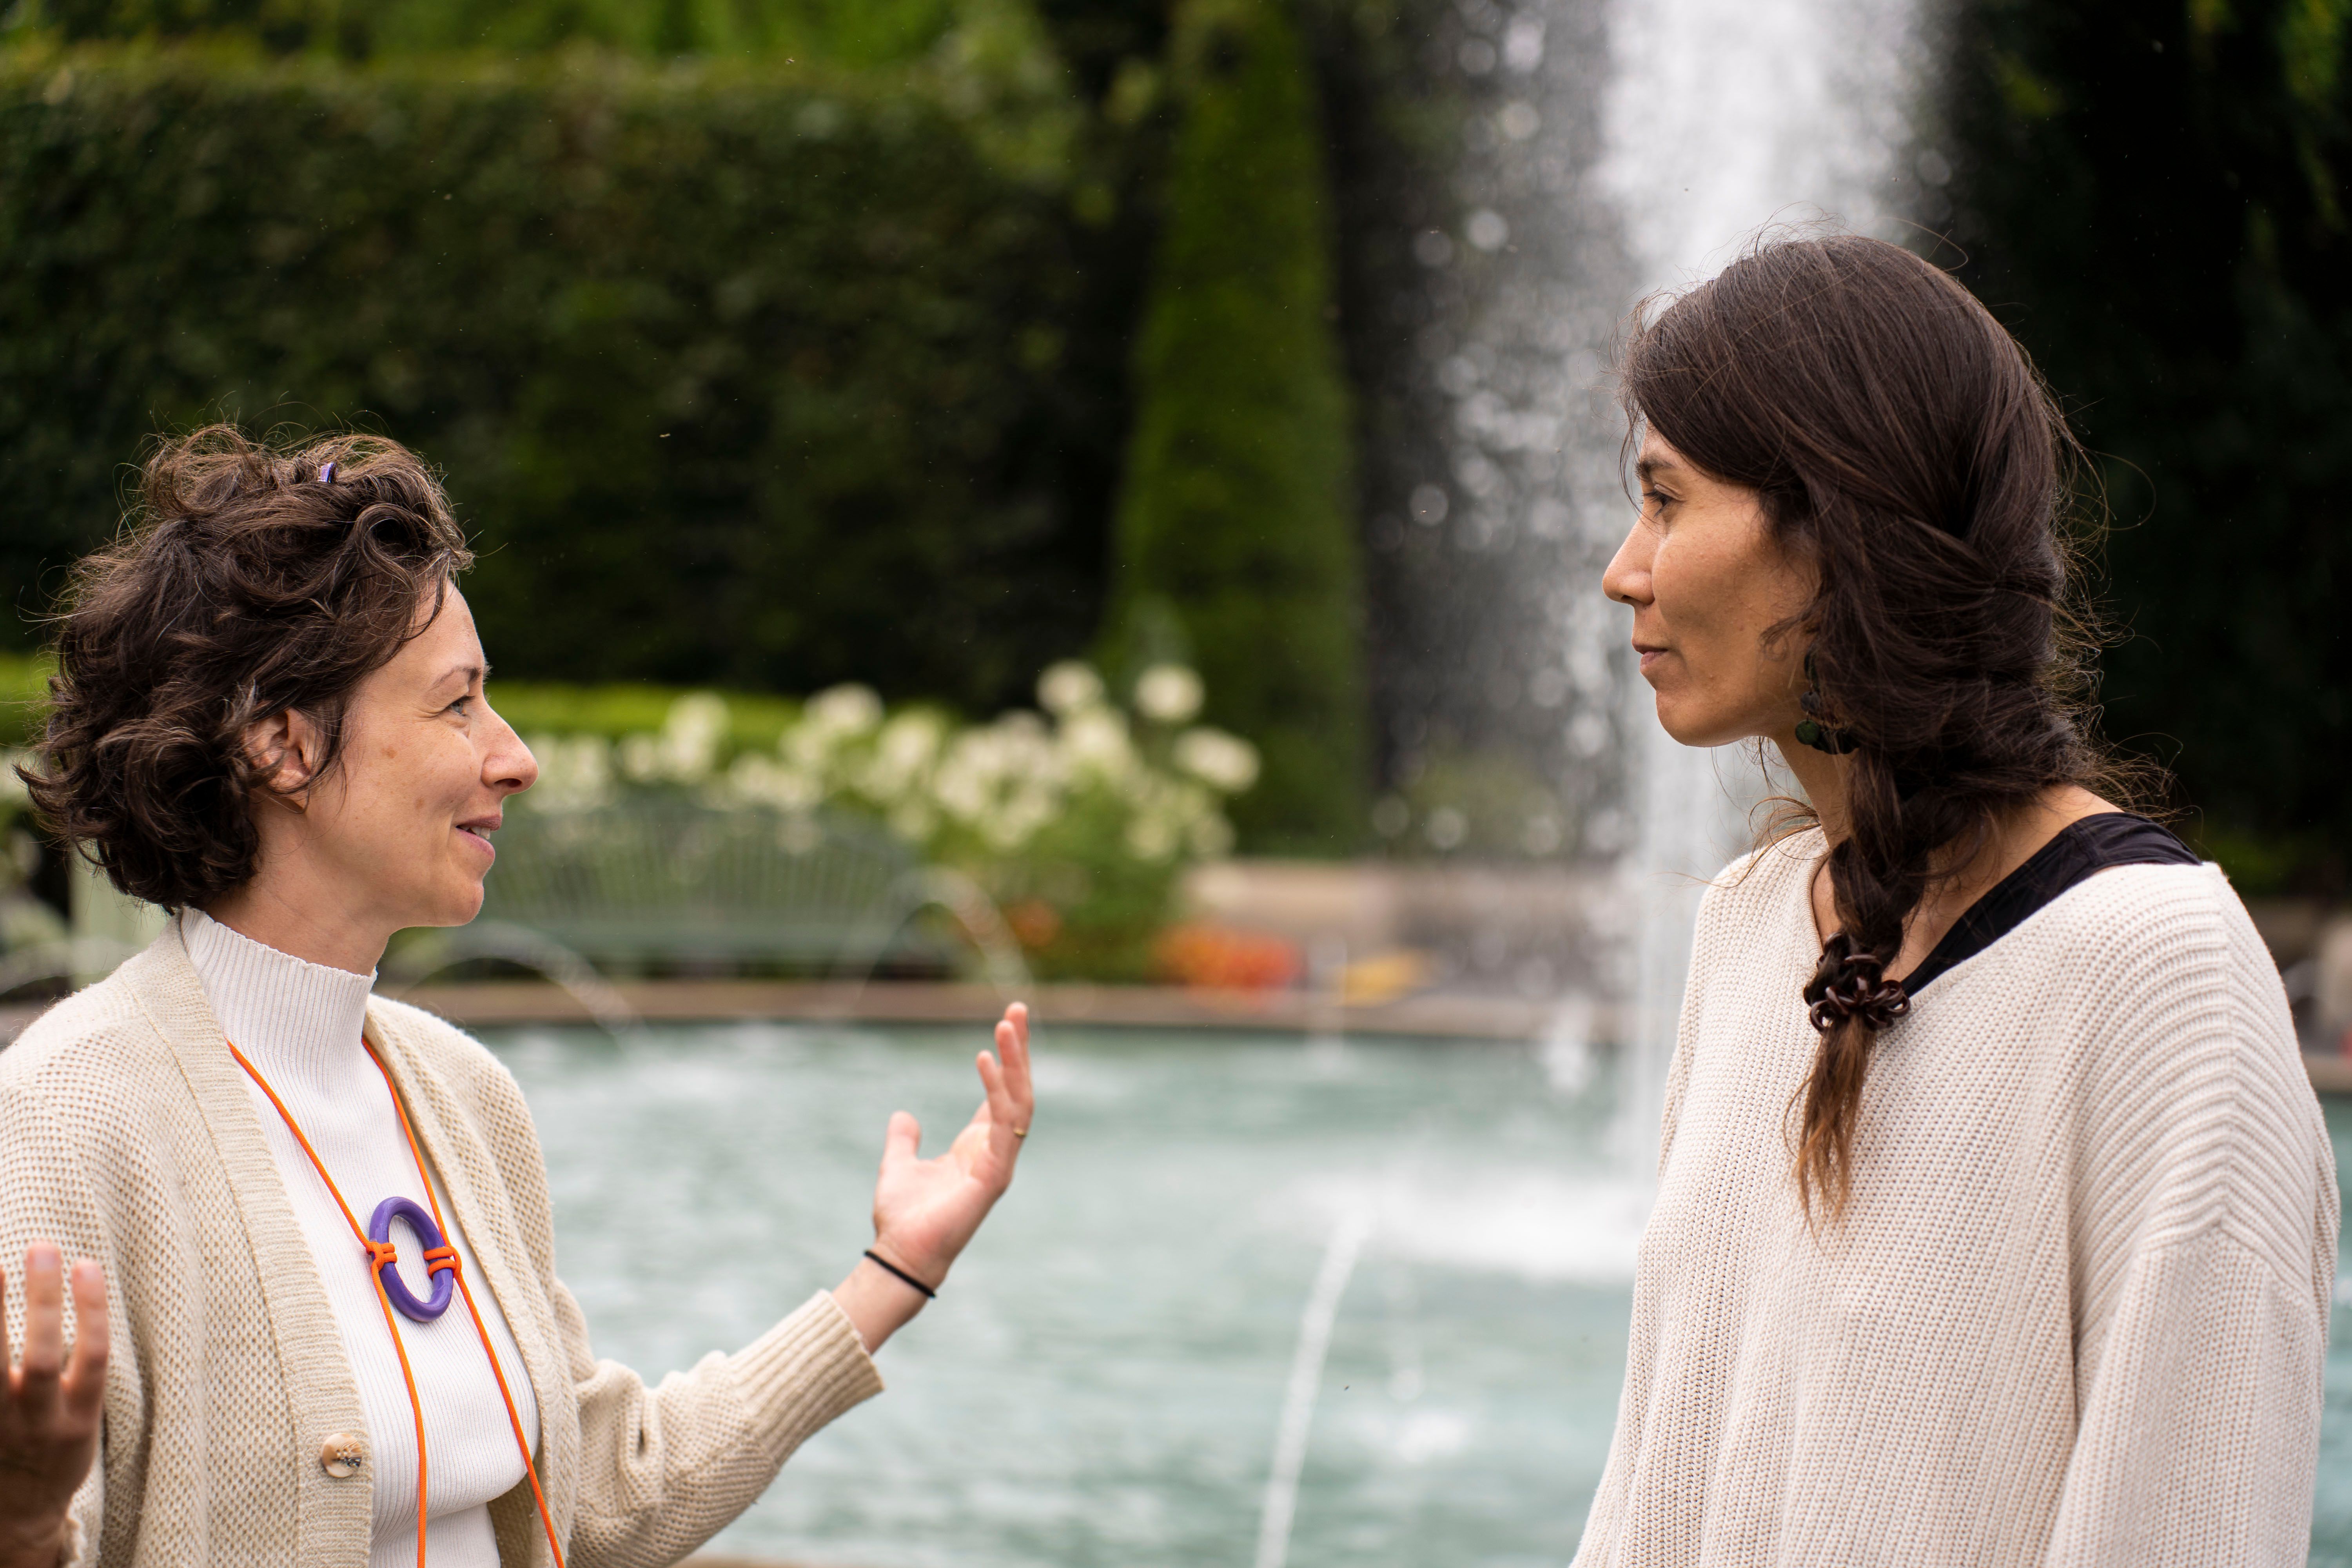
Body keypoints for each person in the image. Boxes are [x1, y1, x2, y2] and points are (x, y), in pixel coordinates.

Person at [0, 426, 1035, 1568]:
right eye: (458, 706)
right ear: (284, 747)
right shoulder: (63, 1120)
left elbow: (595, 1497)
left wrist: (893, 1274)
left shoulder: (461, 1094)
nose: (516, 757)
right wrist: (25, 1524)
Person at [1583, 235, 2338, 1566]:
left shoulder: (2161, 974)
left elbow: (2187, 1528)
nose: (1623, 569)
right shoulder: (1757, 920)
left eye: (1665, 500)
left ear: (1836, 526)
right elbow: (1653, 1479)